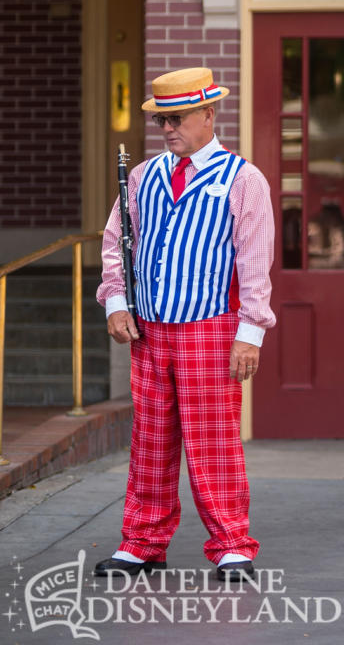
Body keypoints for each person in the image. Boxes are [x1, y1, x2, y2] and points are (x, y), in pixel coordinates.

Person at [95, 67, 274, 581]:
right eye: (161, 120)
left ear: (209, 115)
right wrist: (116, 302)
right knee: (151, 438)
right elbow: (116, 242)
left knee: (212, 438)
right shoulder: (142, 176)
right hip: (148, 329)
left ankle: (232, 543)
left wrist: (250, 333)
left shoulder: (243, 179)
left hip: (210, 327)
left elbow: (255, 261)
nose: (168, 129)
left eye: (176, 119)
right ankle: (143, 542)